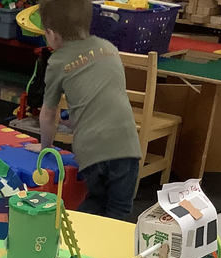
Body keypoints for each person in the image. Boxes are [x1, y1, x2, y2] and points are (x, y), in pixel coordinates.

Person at [37, 0, 142, 221]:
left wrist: (45, 148)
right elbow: (104, 102)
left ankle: (72, 235)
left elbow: (49, 114)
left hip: (93, 150)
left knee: (97, 201)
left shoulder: (57, 61)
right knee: (118, 211)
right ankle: (105, 247)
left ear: (51, 34)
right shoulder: (109, 48)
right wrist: (76, 120)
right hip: (127, 146)